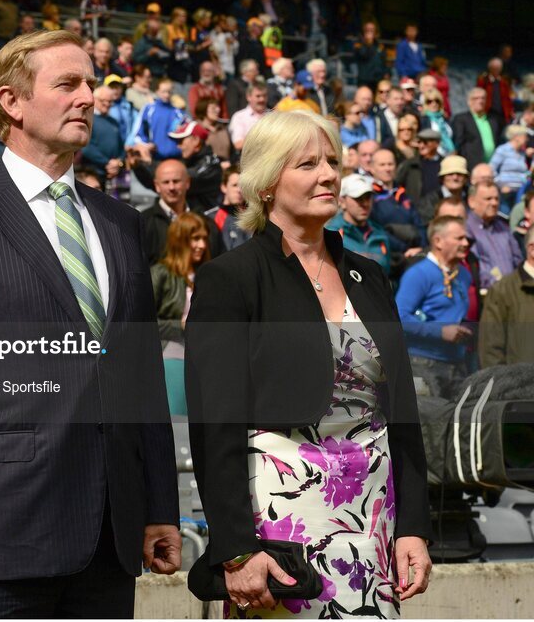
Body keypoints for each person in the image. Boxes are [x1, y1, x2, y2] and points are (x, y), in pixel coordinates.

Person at [0, 29, 181, 618]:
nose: (87, 98)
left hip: (111, 537)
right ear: (11, 102)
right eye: (68, 84)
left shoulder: (121, 221)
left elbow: (139, 378)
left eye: (91, 85)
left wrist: (158, 504)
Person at [185, 110, 432, 617]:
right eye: (306, 164)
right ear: (268, 182)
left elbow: (401, 415)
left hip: (373, 519)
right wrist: (236, 550)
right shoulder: (230, 279)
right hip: (280, 524)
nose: (327, 174)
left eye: (332, 161)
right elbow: (215, 427)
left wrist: (413, 526)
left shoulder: (370, 275)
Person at [396, 216, 473, 399]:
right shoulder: (419, 274)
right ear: (438, 241)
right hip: (423, 364)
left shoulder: (464, 275)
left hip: (457, 364)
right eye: (459, 238)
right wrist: (440, 332)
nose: (466, 243)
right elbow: (399, 317)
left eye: (465, 238)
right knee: (430, 425)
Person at [152, 211, 211, 414]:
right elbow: (142, 324)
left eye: (204, 238)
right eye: (195, 239)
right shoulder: (160, 274)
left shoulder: (211, 275)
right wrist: (182, 326)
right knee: (178, 419)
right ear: (181, 240)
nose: (202, 245)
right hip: (172, 353)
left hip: (205, 357)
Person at [479, 226, 534, 367]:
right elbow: (491, 348)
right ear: (532, 249)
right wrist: (504, 387)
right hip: (522, 384)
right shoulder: (502, 291)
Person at [325, 173, 392, 274]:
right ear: (342, 201)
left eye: (368, 197)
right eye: (358, 198)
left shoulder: (380, 234)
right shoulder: (331, 233)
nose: (365, 204)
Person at [466, 179, 523, 290]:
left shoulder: (503, 227)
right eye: (488, 199)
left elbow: (518, 260)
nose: (494, 203)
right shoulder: (466, 229)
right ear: (471, 202)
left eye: (496, 199)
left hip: (511, 291)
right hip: (486, 294)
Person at [451, 87, 502, 170]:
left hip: (492, 166)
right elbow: (458, 142)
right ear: (469, 102)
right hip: (471, 166)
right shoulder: (461, 119)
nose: (480, 101)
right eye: (476, 98)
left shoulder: (493, 120)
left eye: (483, 98)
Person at [205, 164, 250, 251]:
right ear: (224, 187)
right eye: (234, 185)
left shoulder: (253, 218)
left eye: (242, 186)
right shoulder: (210, 218)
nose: (239, 190)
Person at [417, 154, 470, 225]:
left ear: (466, 178)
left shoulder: (472, 198)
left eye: (459, 174)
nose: (455, 178)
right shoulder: (429, 202)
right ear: (442, 178)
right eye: (450, 174)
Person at [490, 125, 532, 212]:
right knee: (505, 216)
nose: (527, 140)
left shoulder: (522, 153)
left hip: (521, 191)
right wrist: (501, 185)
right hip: (507, 193)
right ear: (517, 137)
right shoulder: (502, 150)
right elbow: (491, 169)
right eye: (525, 136)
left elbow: (524, 173)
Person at [396, 128, 443, 204]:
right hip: (415, 209)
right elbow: (397, 185)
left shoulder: (444, 164)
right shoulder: (410, 164)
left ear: (437, 143)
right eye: (419, 142)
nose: (421, 146)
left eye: (425, 143)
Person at [229, 81, 267, 152]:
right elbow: (238, 144)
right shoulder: (239, 117)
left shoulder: (272, 115)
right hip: (249, 158)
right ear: (248, 97)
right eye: (258, 96)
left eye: (264, 96)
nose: (262, 99)